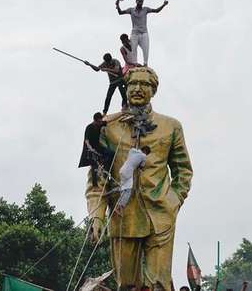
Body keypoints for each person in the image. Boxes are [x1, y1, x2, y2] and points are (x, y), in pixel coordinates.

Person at [85, 67, 193, 290]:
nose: (137, 89)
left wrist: (174, 200)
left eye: (144, 84)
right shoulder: (108, 128)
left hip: (161, 215)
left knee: (159, 284)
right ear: (126, 88)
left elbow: (183, 170)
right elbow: (98, 179)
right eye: (133, 83)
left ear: (153, 90)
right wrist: (97, 216)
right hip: (123, 217)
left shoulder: (171, 127)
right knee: (126, 284)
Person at [116, 0, 168, 66]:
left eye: (142, 1)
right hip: (135, 33)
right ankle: (135, 63)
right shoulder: (131, 10)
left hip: (144, 33)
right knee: (134, 49)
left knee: (146, 49)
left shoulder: (145, 9)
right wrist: (118, 6)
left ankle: (145, 63)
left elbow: (156, 11)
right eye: (140, 1)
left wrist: (163, 5)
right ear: (136, 1)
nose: (141, 3)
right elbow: (120, 12)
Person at [78, 112, 114, 187]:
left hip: (98, 147)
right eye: (99, 122)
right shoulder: (89, 127)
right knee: (94, 166)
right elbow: (86, 141)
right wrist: (91, 149)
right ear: (95, 120)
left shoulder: (100, 123)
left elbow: (110, 120)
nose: (100, 123)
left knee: (111, 153)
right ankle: (95, 185)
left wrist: (123, 114)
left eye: (101, 121)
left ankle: (105, 171)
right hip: (90, 149)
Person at [113, 146, 150, 214]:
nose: (146, 155)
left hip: (122, 169)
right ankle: (120, 207)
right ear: (145, 151)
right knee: (128, 190)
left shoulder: (132, 150)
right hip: (128, 172)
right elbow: (141, 166)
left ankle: (119, 207)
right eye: (147, 153)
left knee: (124, 189)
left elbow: (132, 152)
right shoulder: (143, 155)